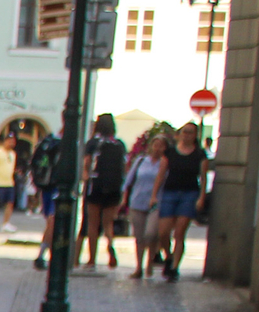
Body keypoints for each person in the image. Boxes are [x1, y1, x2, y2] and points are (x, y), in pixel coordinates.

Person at [154, 123, 206, 280]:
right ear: (180, 133)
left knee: (179, 232)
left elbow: (203, 178)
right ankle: (168, 257)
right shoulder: (170, 152)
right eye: (185, 132)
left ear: (195, 135)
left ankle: (175, 267)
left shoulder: (200, 154)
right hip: (170, 192)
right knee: (163, 232)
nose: (187, 135)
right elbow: (161, 174)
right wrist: (154, 195)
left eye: (190, 132)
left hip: (189, 194)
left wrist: (201, 197)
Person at [77, 113, 126, 269]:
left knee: (92, 223)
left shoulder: (93, 143)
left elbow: (87, 163)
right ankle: (110, 244)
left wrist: (85, 178)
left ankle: (92, 258)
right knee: (108, 223)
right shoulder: (119, 144)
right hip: (113, 188)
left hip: (96, 186)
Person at [123, 131, 165, 279]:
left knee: (151, 234)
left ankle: (150, 262)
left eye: (161, 146)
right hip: (137, 200)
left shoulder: (165, 164)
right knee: (139, 236)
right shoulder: (141, 161)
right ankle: (139, 266)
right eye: (156, 144)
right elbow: (129, 180)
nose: (158, 148)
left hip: (156, 202)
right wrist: (124, 198)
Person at [31, 128, 67, 268]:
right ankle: (42, 256)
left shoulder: (49, 141)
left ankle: (49, 256)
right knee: (53, 222)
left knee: (50, 222)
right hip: (57, 186)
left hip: (45, 186)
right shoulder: (64, 143)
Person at [0, 133, 19, 231]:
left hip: (9, 183)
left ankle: (5, 223)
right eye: (9, 140)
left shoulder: (13, 154)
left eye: (13, 141)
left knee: (10, 203)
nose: (11, 143)